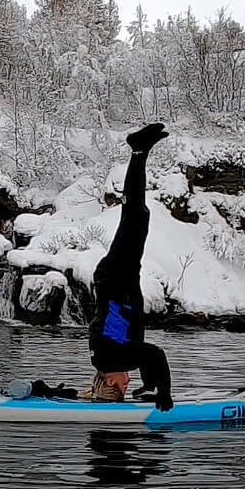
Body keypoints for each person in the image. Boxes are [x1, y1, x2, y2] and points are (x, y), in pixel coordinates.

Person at [88, 123, 174, 411]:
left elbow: (156, 355)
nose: (127, 381)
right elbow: (145, 354)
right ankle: (140, 150)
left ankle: (138, 149)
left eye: (123, 385)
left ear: (111, 382)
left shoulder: (114, 358)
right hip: (115, 281)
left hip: (117, 279)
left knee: (135, 214)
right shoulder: (102, 358)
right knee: (139, 214)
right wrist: (149, 384)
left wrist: (165, 395)